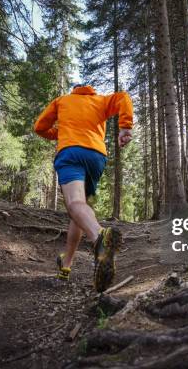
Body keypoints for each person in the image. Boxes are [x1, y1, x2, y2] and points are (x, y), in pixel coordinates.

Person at [34, 84, 133, 292]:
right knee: (78, 211)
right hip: (96, 156)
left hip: (70, 152)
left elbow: (39, 127)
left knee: (75, 203)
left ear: (74, 91)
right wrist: (125, 126)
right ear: (91, 90)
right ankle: (66, 264)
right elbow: (123, 97)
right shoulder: (100, 100)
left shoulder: (63, 100)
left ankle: (99, 236)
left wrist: (59, 133)